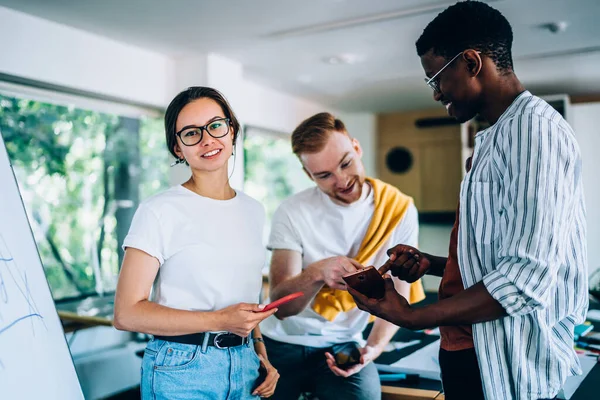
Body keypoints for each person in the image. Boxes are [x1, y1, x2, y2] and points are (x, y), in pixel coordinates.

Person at [347, 2, 588, 400]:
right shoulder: (496, 137)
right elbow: (500, 259)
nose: (437, 92)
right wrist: (435, 265)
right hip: (467, 349)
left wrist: (411, 316)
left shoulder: (534, 131)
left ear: (472, 62)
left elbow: (524, 278)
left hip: (507, 361)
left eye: (436, 78)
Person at [113, 86, 280, 399]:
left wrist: (260, 351)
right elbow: (126, 313)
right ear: (178, 148)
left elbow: (245, 297)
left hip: (245, 366)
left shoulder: (253, 210)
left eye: (215, 125)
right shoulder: (158, 210)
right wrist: (219, 320)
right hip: (181, 370)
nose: (207, 140)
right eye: (191, 133)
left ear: (232, 130)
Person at [259, 112, 425, 400]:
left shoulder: (399, 209)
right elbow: (282, 307)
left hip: (344, 342)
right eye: (324, 176)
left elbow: (399, 295)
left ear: (357, 148)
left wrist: (372, 349)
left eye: (346, 163)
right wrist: (316, 272)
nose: (342, 180)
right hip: (280, 340)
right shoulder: (292, 211)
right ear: (308, 176)